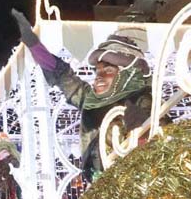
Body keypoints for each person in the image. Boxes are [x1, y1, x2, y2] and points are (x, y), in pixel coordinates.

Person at [11, 9, 152, 182]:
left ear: (126, 73)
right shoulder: (90, 99)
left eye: (108, 70)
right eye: (97, 71)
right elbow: (61, 74)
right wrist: (32, 43)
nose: (98, 77)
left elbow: (159, 146)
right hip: (97, 184)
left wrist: (142, 130)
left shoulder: (142, 100)